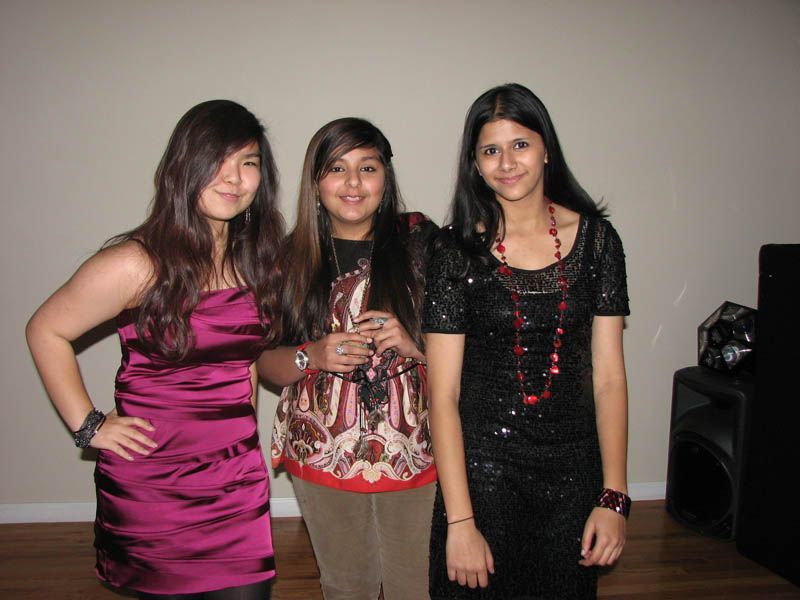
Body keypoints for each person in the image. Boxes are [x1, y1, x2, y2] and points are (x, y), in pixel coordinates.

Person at [26, 100, 284, 599]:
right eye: (217, 160)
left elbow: (243, 363)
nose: (233, 178)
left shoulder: (257, 262)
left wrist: (246, 444)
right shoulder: (135, 264)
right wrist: (89, 426)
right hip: (155, 482)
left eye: (247, 163)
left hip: (235, 477)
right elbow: (45, 330)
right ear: (183, 168)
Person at [424, 83, 631, 599]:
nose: (506, 162)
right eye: (490, 150)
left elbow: (608, 380)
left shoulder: (599, 242)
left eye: (520, 144)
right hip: (483, 478)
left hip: (573, 478)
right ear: (474, 163)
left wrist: (615, 496)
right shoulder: (454, 251)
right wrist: (460, 522)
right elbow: (443, 397)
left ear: (546, 149)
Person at [258, 117, 438, 600]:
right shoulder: (287, 259)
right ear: (316, 184)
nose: (354, 183)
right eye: (337, 168)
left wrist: (414, 344)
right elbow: (263, 362)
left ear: (386, 178)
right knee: (345, 586)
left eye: (368, 167)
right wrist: (311, 354)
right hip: (321, 449)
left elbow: (471, 348)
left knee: (416, 587)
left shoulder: (423, 246)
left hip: (417, 448)